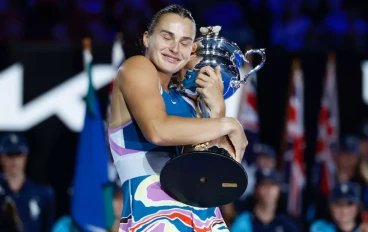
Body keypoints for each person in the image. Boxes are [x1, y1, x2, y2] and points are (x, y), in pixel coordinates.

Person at [108, 4, 248, 231]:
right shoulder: (136, 67)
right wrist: (227, 124)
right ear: (147, 38)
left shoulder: (189, 100)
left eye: (184, 42)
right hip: (154, 221)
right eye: (167, 37)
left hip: (205, 222)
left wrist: (218, 110)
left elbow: (219, 178)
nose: (175, 48)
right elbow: (157, 130)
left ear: (192, 49)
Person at [0, 133, 55, 232]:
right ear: (2, 157)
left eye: (18, 154)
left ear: (25, 157)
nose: (14, 160)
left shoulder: (41, 194)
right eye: (10, 154)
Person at [230, 168, 301, 231]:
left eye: (272, 184)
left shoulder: (287, 225)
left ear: (279, 190)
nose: (268, 189)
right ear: (256, 190)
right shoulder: (243, 223)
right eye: (263, 184)